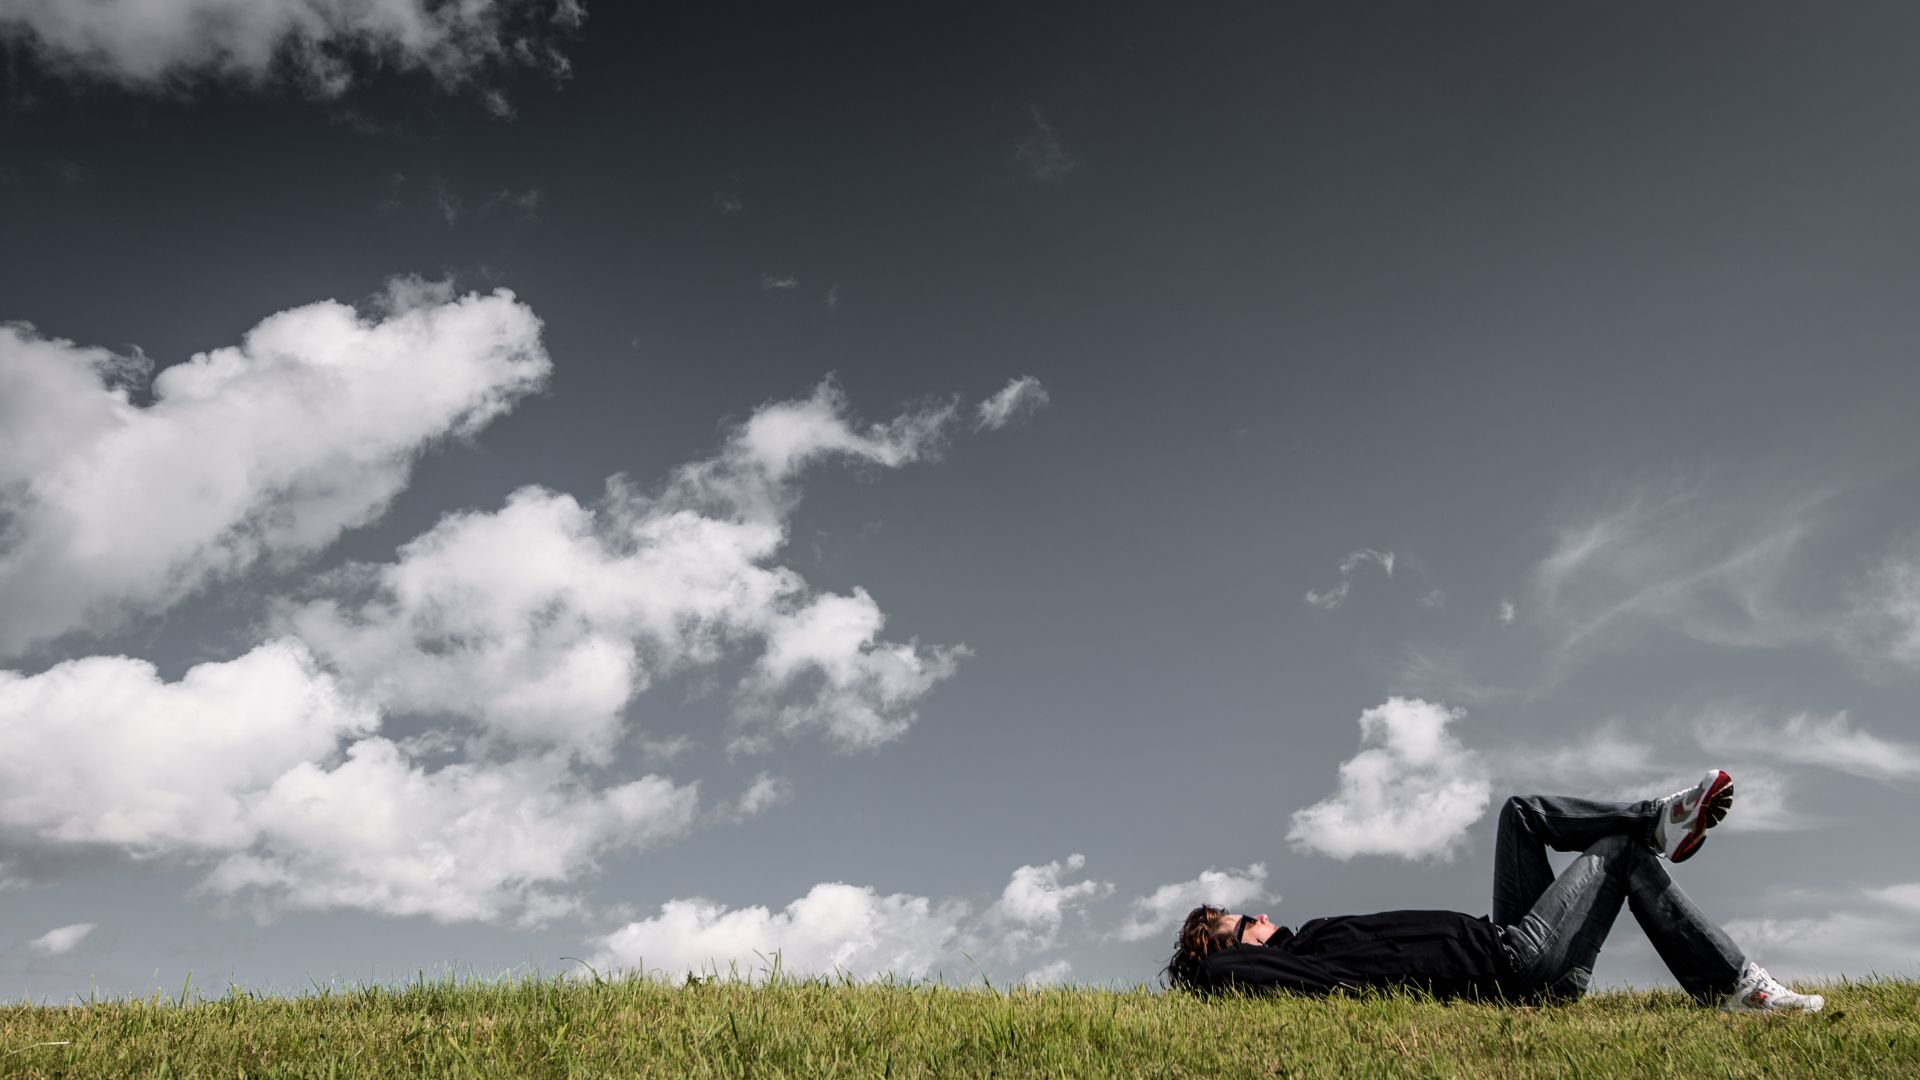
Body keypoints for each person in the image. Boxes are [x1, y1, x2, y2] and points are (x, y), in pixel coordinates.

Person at [1165, 770, 1824, 1012]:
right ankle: (1740, 988)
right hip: (1513, 966)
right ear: (1226, 949)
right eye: (1242, 919)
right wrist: (1210, 949)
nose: (1259, 912)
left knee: (1519, 813)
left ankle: (1658, 818)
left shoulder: (1309, 941)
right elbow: (1222, 973)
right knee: (1620, 857)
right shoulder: (1275, 968)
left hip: (1501, 934)